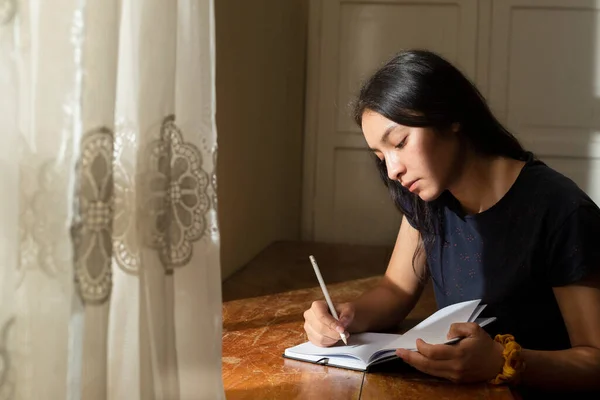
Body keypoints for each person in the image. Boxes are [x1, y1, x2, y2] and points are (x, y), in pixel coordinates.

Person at [302, 50, 600, 398]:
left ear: (452, 117)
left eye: (399, 142)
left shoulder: (560, 208)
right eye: (380, 157)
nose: (392, 170)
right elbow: (395, 291)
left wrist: (504, 362)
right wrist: (345, 318)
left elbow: (594, 360)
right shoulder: (426, 199)